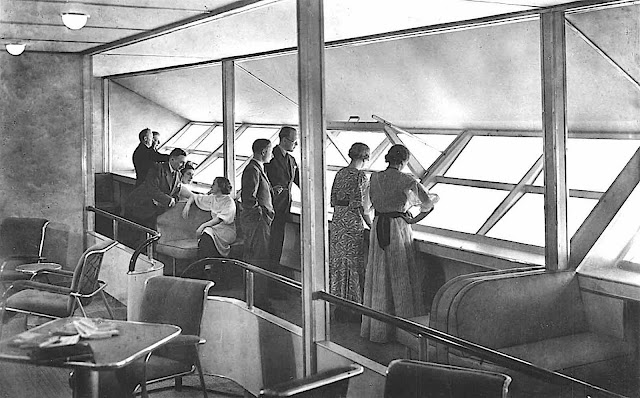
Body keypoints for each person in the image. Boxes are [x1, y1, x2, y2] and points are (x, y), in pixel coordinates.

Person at [360, 144, 439, 343]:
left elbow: (365, 205)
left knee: (379, 276)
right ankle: (403, 332)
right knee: (399, 275)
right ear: (404, 161)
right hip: (397, 227)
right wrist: (412, 220)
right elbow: (428, 203)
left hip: (378, 225)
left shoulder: (375, 177)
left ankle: (378, 329)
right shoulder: (407, 179)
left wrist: (375, 219)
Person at [329, 143, 372, 322]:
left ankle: (339, 305)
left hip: (338, 223)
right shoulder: (361, 176)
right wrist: (371, 223)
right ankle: (354, 308)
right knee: (353, 266)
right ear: (366, 157)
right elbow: (362, 205)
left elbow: (333, 199)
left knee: (339, 264)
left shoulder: (340, 173)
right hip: (352, 225)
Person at [241, 139, 275, 307]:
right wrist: (261, 214)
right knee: (257, 259)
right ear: (263, 152)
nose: (272, 154)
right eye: (270, 151)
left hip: (260, 221)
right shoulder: (252, 170)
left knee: (258, 258)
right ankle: (258, 300)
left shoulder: (257, 168)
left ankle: (256, 297)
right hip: (257, 223)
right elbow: (248, 198)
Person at [124, 148, 187, 235]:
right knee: (136, 236)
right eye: (181, 162)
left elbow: (176, 195)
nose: (183, 166)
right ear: (172, 159)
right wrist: (168, 200)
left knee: (152, 236)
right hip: (141, 206)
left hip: (156, 210)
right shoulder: (156, 168)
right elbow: (152, 189)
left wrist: (172, 200)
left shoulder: (178, 174)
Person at [265, 126, 299, 273]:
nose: (295, 145)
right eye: (294, 141)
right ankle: (268, 277)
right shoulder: (269, 156)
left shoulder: (292, 160)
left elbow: (298, 181)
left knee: (278, 242)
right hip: (270, 206)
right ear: (284, 140)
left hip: (285, 206)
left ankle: (274, 274)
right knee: (269, 242)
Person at [182, 176, 236, 259]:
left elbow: (219, 219)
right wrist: (188, 205)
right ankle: (205, 265)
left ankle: (206, 264)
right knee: (207, 235)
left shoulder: (229, 202)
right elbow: (195, 196)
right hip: (215, 229)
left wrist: (202, 226)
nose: (211, 186)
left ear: (220, 186)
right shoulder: (213, 198)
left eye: (214, 184)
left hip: (226, 231)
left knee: (206, 233)